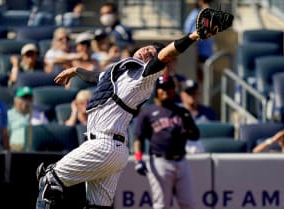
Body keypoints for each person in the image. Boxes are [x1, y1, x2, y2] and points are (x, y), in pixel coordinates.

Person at [36, 7, 233, 209]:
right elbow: (96, 77)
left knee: (49, 179)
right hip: (114, 149)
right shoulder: (121, 71)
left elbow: (166, 55)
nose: (148, 51)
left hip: (103, 144)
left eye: (152, 53)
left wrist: (193, 35)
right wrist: (75, 70)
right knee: (97, 206)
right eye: (148, 48)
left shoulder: (143, 76)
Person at [133, 74, 199, 209]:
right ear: (157, 90)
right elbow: (138, 137)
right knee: (161, 205)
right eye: (162, 88)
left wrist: (185, 132)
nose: (166, 91)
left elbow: (195, 135)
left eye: (169, 88)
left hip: (181, 161)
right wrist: (138, 159)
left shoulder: (182, 112)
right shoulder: (148, 112)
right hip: (160, 161)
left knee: (189, 204)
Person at [7, 86, 49, 151]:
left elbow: (46, 136)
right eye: (23, 98)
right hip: (15, 149)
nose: (26, 101)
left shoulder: (40, 116)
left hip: (36, 151)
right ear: (16, 100)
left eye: (29, 98)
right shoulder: (9, 115)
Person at [183, 0, 213, 82]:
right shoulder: (197, 14)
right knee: (201, 84)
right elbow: (194, 35)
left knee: (206, 84)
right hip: (199, 55)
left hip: (206, 55)